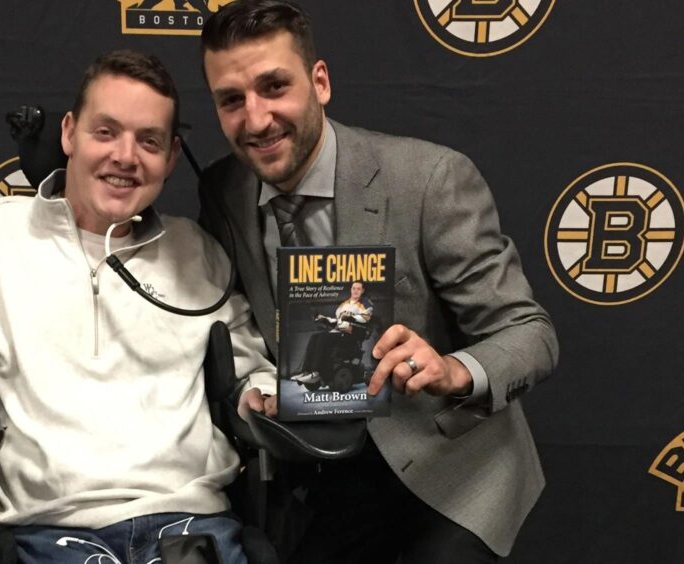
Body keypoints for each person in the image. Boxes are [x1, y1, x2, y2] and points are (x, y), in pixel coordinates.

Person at [197, 2, 559, 562]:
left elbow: (530, 332)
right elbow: (238, 321)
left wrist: (453, 369)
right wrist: (256, 383)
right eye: (231, 100)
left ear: (320, 82)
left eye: (274, 87)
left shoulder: (429, 179)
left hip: (451, 465)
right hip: (321, 473)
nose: (256, 118)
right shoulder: (225, 190)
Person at [0, 50, 277, 563]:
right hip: (49, 529)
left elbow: (249, 372)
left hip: (188, 520)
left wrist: (265, 395)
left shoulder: (195, 250)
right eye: (106, 132)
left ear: (172, 157)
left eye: (149, 141)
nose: (125, 156)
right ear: (69, 133)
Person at [292, 281, 373, 387]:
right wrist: (322, 318)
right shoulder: (344, 305)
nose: (355, 291)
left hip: (351, 335)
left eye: (358, 288)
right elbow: (336, 321)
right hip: (338, 332)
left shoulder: (366, 303)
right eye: (353, 288)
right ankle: (306, 371)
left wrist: (352, 317)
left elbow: (366, 318)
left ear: (362, 290)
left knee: (323, 337)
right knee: (315, 336)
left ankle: (316, 372)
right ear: (351, 289)